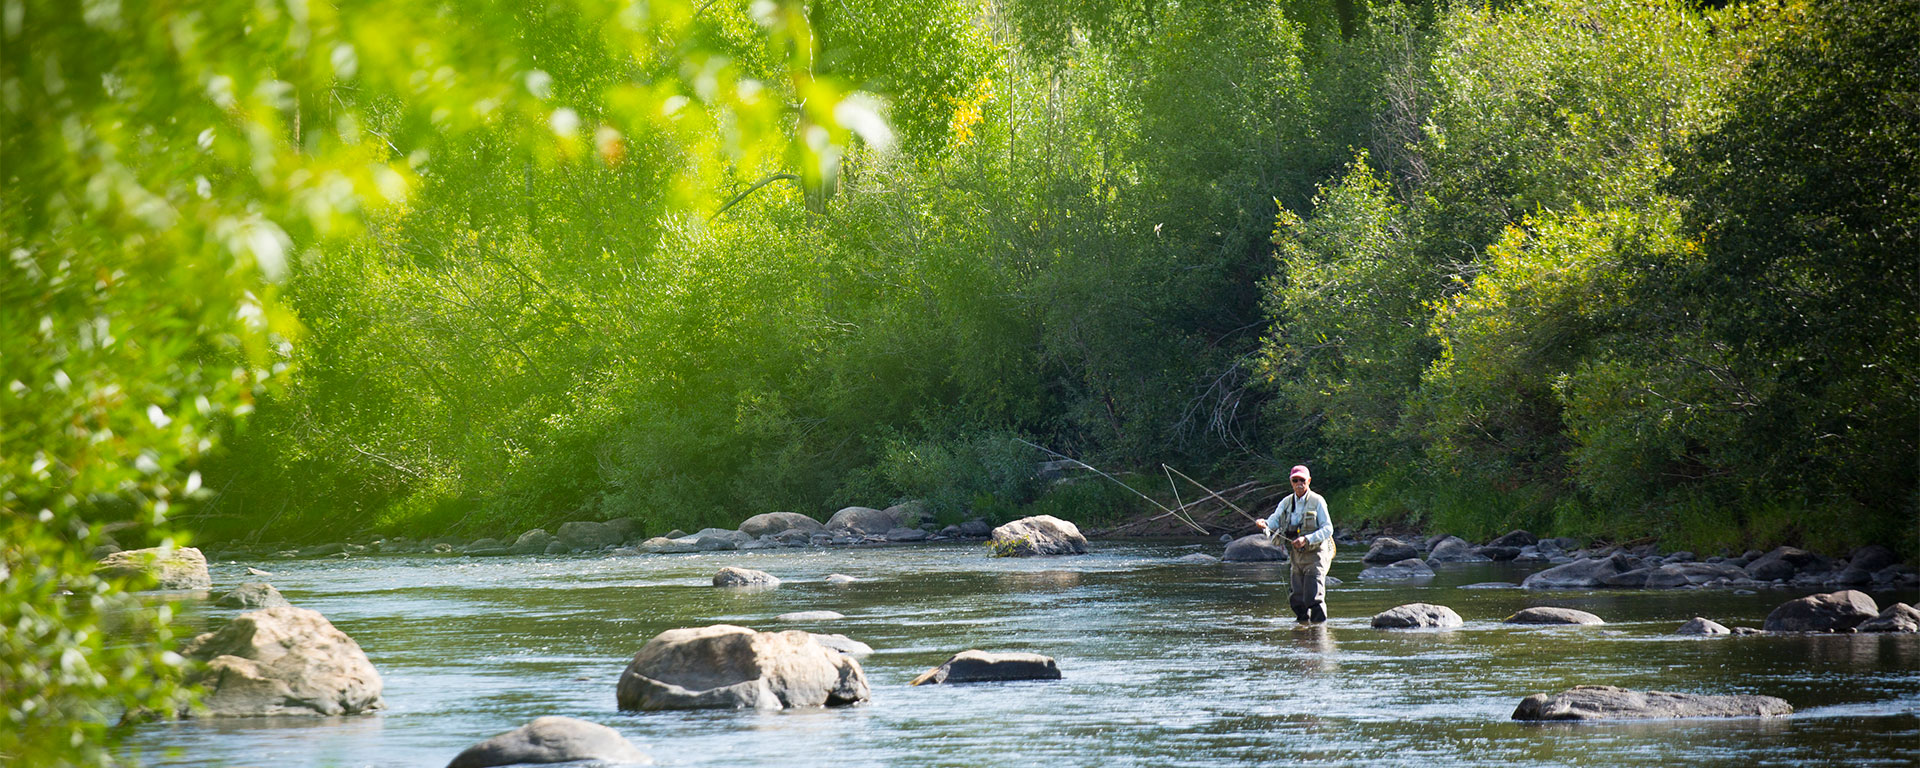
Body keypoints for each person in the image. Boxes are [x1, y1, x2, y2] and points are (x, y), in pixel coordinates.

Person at [1254, 464, 1334, 623]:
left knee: (1314, 597)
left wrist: (1307, 539)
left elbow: (1328, 529)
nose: (1299, 483)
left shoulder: (1318, 501)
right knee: (1297, 598)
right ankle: (1303, 631)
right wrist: (1264, 524)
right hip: (1296, 556)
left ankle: (1320, 633)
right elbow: (1273, 521)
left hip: (1315, 555)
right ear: (1291, 482)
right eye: (1295, 480)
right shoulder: (1286, 502)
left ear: (1309, 481)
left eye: (1302, 480)